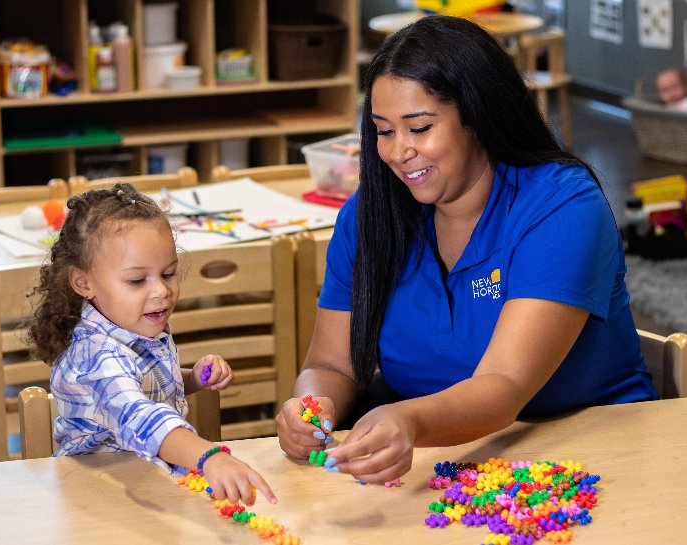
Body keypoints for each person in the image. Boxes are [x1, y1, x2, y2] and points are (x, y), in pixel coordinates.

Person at [275, 15, 658, 484]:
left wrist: (409, 420)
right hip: (441, 464)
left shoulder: (563, 206)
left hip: (592, 452)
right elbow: (332, 364)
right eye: (384, 130)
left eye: (419, 128)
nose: (397, 152)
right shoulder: (368, 215)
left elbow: (503, 387)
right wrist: (311, 405)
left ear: (478, 116)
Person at [28, 183, 275, 506]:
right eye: (137, 281)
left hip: (145, 484)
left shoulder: (131, 325)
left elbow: (146, 388)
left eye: (169, 274)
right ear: (83, 282)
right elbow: (139, 415)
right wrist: (210, 456)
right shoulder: (98, 356)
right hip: (99, 499)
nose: (161, 291)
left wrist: (191, 378)